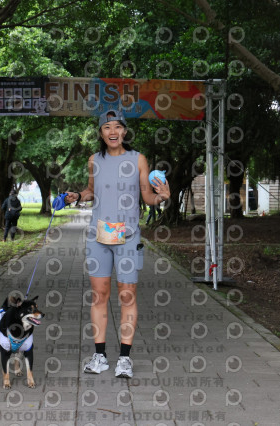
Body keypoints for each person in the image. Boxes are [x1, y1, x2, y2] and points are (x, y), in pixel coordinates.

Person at [64, 109, 170, 379]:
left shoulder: (138, 159)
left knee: (127, 296)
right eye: (107, 127)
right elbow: (91, 190)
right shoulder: (94, 160)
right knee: (99, 295)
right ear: (101, 133)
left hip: (127, 235)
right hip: (99, 235)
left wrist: (162, 197)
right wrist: (78, 195)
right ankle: (99, 356)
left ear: (124, 131)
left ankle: (124, 359)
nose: (113, 132)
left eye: (117, 127)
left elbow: (148, 197)